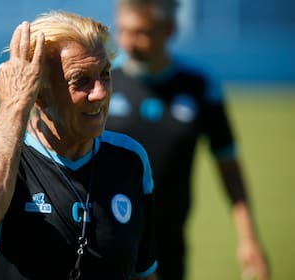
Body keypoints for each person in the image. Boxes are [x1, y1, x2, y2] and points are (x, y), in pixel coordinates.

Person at [0, 10, 159, 280]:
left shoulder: (130, 159)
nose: (99, 93)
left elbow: (143, 273)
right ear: (39, 93)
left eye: (105, 74)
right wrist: (14, 105)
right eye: (81, 80)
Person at [105, 0, 270, 280]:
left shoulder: (199, 87)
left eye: (141, 32)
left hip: (170, 244)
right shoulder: (103, 82)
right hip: (107, 240)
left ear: (169, 29)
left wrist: (248, 239)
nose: (128, 42)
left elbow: (228, 166)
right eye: (123, 31)